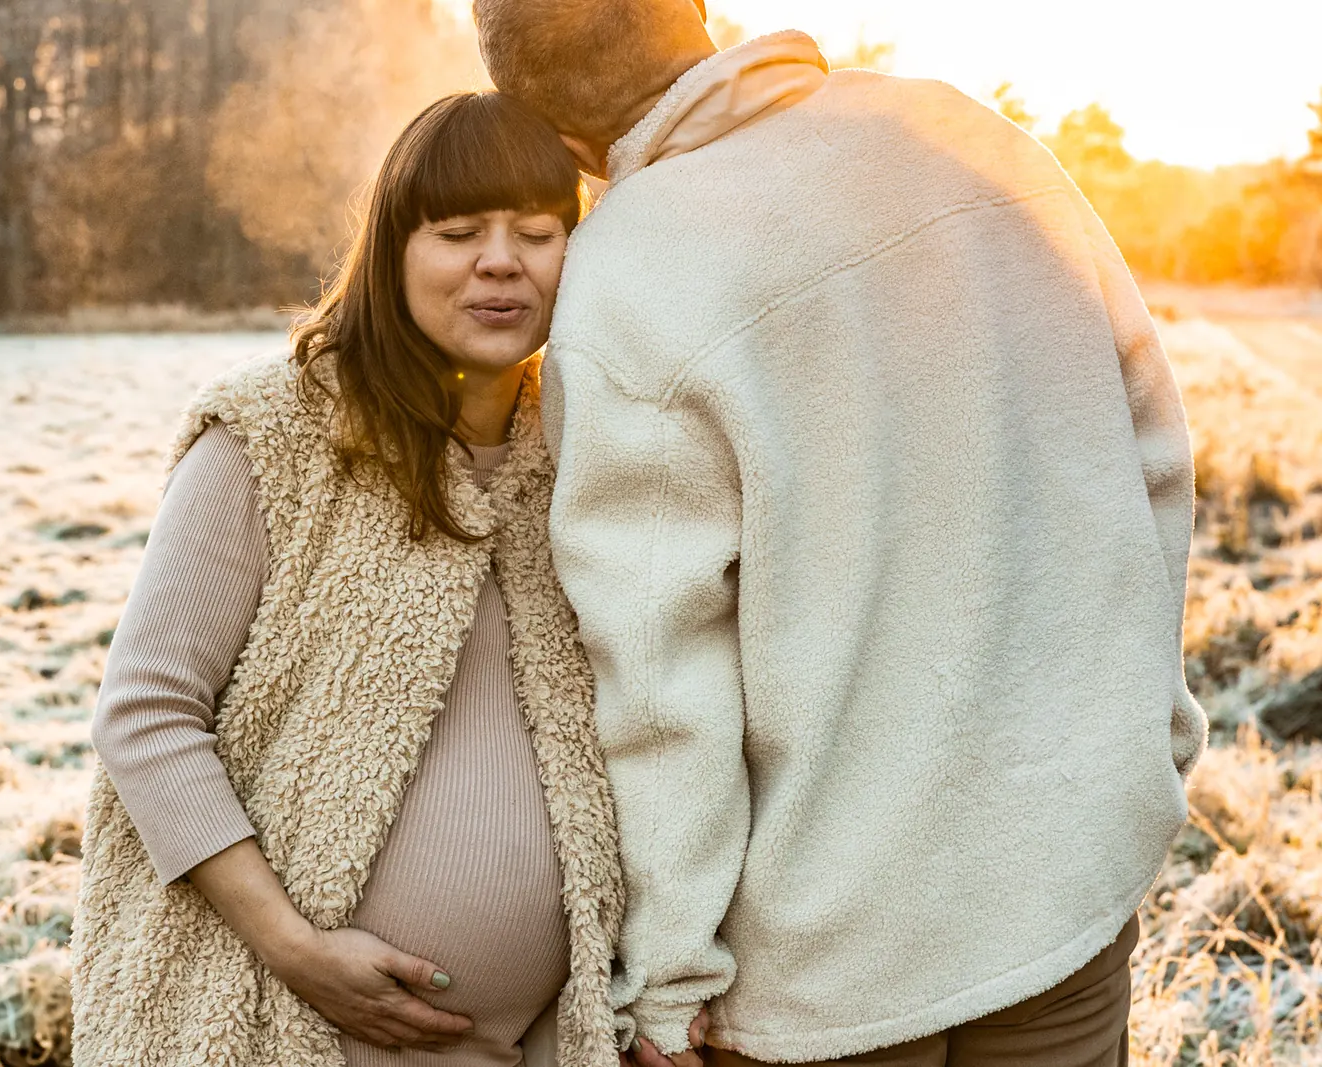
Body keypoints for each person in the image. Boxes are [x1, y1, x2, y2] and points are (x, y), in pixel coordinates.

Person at [472, 3, 1208, 1066]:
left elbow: (654, 671)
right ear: (698, 22)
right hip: (1069, 863)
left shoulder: (626, 274)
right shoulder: (960, 133)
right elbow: (1152, 455)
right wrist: (1152, 731)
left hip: (828, 961)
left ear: (560, 142)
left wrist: (668, 973)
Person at [69, 91, 627, 1067]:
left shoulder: (583, 453)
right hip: (281, 1023)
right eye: (458, 232)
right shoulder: (274, 432)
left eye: (537, 232)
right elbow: (144, 714)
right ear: (393, 252)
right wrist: (300, 949)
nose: (501, 260)